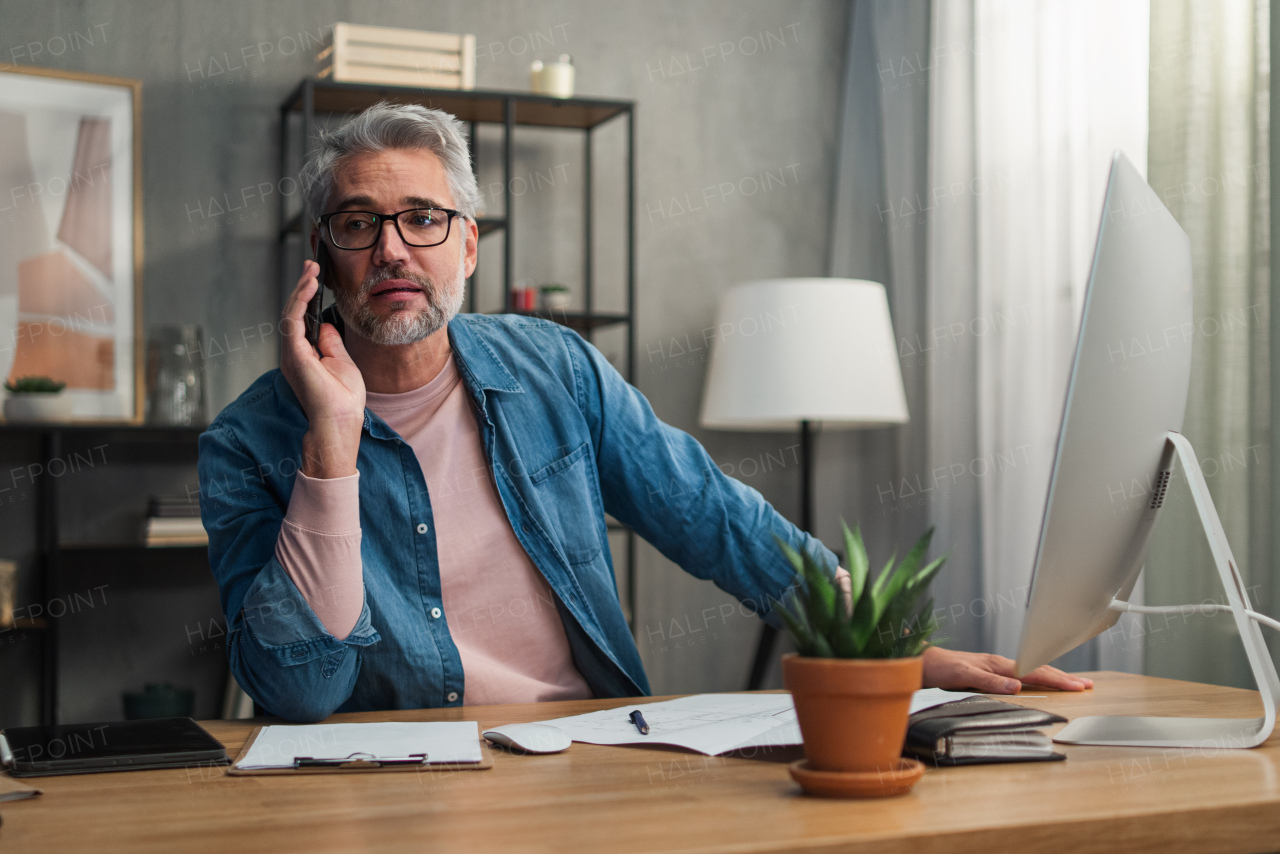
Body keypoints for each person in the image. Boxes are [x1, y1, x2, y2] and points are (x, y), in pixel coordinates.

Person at [198, 102, 1090, 722]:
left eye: (423, 218)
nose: (392, 247)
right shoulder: (246, 446)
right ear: (321, 257)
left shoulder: (557, 371)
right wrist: (330, 446)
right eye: (357, 225)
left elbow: (713, 518)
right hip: (381, 789)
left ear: (467, 243)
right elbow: (299, 691)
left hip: (580, 756)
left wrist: (885, 643)